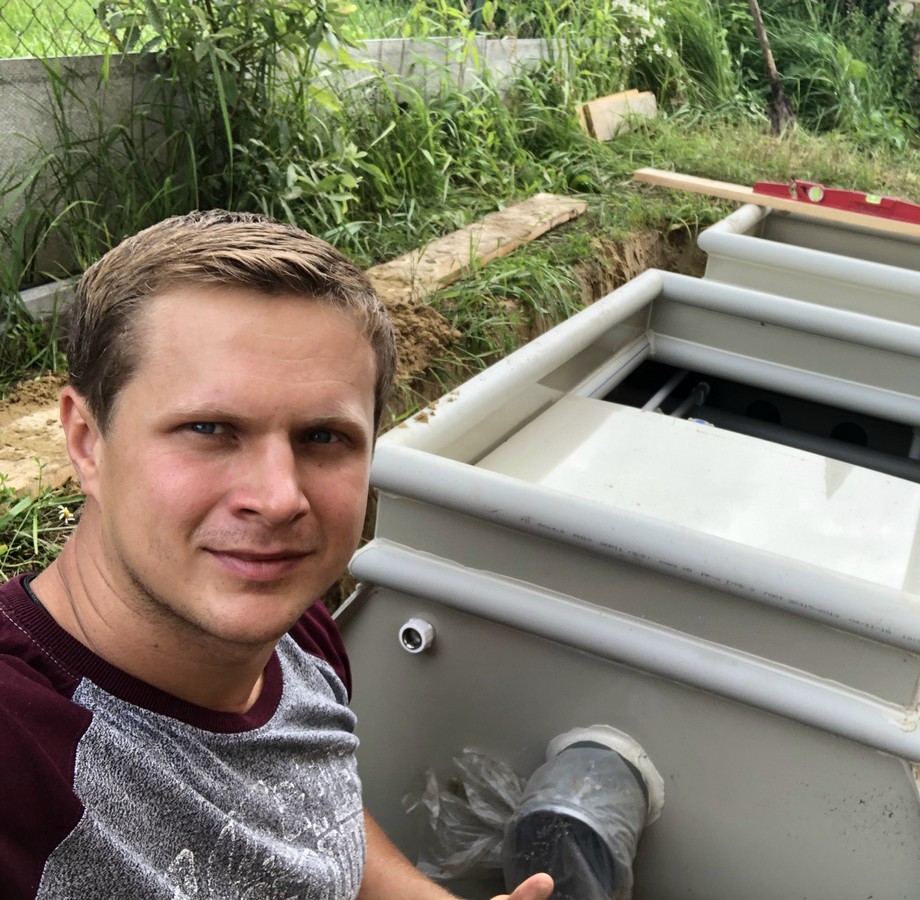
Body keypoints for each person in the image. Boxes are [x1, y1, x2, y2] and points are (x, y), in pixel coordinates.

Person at [0, 211, 554, 900]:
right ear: (87, 442)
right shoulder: (22, 745)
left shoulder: (299, 638)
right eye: (209, 428)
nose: (279, 499)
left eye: (323, 438)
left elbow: (313, 821)